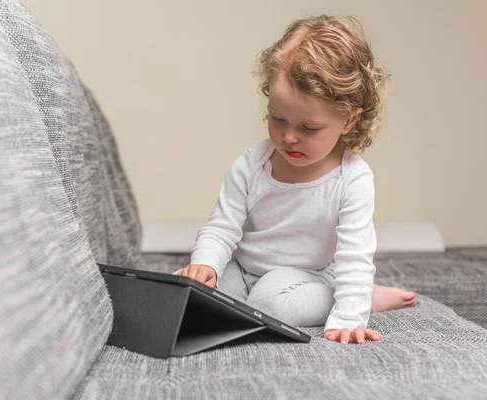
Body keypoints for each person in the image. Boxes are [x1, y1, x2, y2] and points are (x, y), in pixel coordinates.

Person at [175, 15, 416, 345]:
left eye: (309, 128)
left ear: (348, 120)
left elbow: (354, 255)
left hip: (308, 276)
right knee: (186, 293)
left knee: (270, 304)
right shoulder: (251, 165)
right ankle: (224, 291)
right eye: (278, 119)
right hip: (245, 269)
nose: (288, 137)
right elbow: (222, 226)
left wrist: (349, 315)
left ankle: (361, 297)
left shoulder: (352, 179)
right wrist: (205, 265)